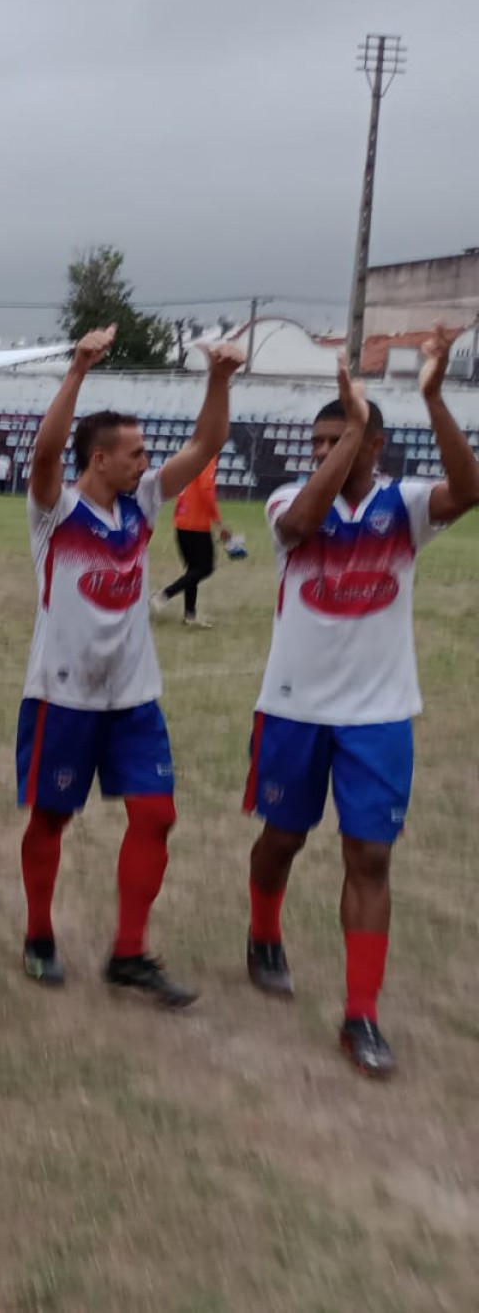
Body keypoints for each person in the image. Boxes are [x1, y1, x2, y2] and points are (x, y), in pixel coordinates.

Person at [243, 328, 479, 1077]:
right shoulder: (290, 496)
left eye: (337, 438)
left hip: (379, 715)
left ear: (376, 445)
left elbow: (468, 493)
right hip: (294, 708)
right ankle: (263, 929)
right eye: (316, 440)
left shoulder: (405, 508)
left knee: (371, 857)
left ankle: (361, 1015)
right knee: (284, 837)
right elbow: (301, 524)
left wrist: (434, 399)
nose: (320, 450)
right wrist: (351, 425)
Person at [13, 325, 243, 1006]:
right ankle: (38, 936)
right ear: (100, 459)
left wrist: (220, 379)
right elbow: (48, 451)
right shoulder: (55, 512)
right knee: (52, 818)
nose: (148, 461)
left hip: (134, 697)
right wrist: (78, 369)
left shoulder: (141, 506)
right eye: (136, 453)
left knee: (156, 814)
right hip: (63, 697)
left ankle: (129, 952)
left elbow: (206, 446)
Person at [149, 459, 231, 627]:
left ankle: (190, 616)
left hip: (182, 521)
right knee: (205, 567)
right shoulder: (206, 459)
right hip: (196, 524)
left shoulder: (192, 455)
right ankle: (164, 595)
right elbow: (206, 490)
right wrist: (219, 523)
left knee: (193, 570)